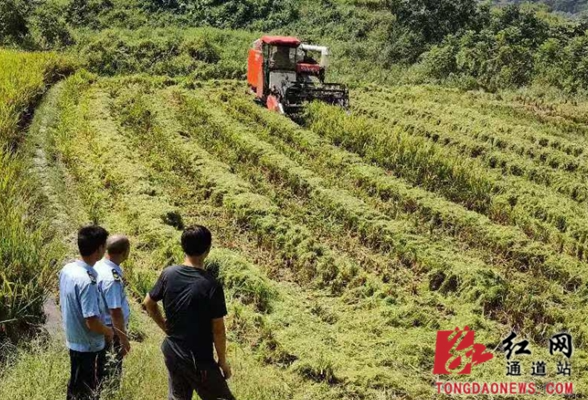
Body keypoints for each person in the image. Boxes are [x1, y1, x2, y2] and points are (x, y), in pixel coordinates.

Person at [143, 226, 234, 400]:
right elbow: (218, 330)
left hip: (173, 351)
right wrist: (222, 361)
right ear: (208, 250)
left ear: (182, 247)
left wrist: (164, 326)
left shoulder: (168, 274)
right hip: (198, 359)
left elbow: (148, 303)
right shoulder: (211, 285)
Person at [60, 225, 114, 400]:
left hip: (74, 340)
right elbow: (91, 321)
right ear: (99, 249)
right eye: (104, 246)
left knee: (75, 387)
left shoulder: (68, 269)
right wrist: (108, 331)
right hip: (89, 346)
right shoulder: (87, 281)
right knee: (88, 392)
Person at [95, 234, 132, 384]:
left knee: (100, 369)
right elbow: (115, 311)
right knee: (111, 374)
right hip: (111, 331)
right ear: (124, 252)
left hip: (100, 327)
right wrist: (123, 339)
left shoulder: (98, 266)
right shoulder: (112, 278)